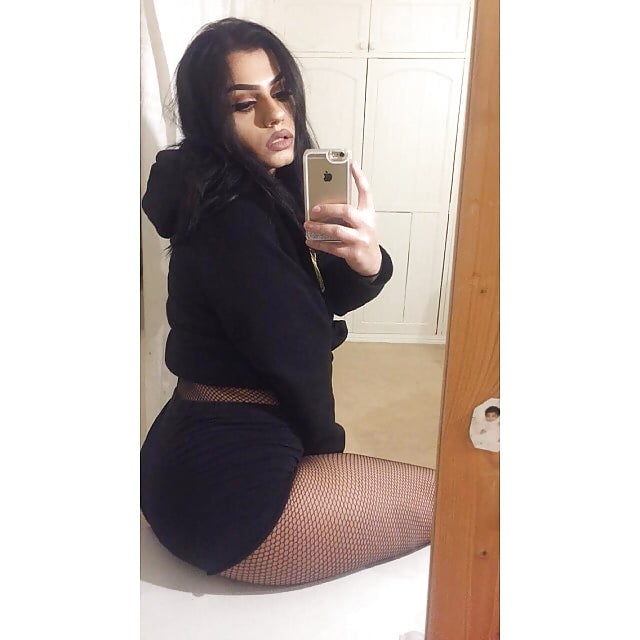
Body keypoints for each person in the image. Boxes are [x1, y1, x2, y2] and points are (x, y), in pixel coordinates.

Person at [140, 17, 437, 587]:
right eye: (244, 103)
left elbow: (313, 299)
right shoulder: (237, 217)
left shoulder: (258, 185)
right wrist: (325, 457)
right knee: (470, 502)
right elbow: (298, 353)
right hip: (228, 499)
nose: (276, 115)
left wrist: (367, 261)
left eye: (281, 92)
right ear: (208, 116)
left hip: (186, 459)